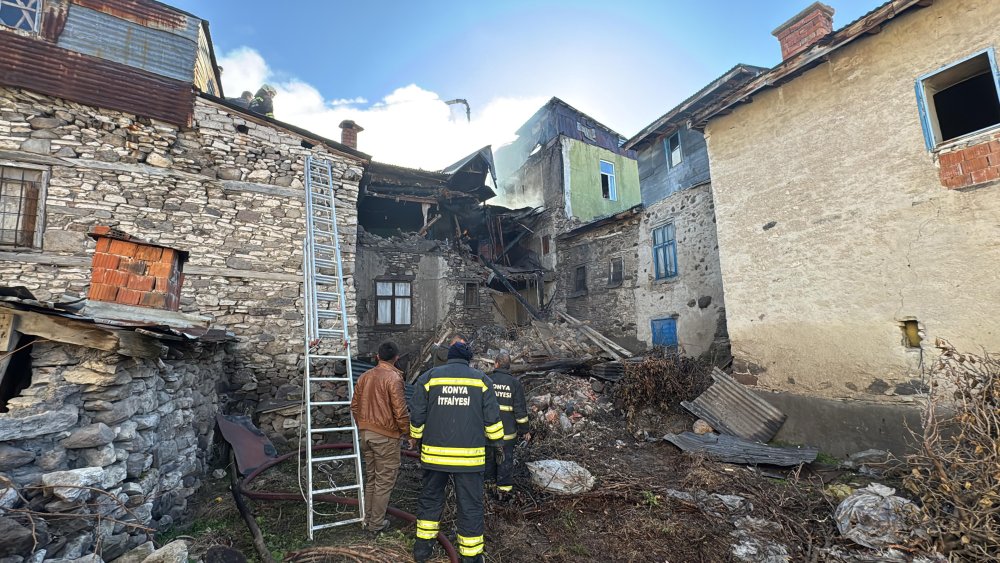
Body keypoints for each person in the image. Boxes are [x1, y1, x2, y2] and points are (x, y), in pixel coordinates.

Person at [409, 339, 503, 563]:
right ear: (469, 360)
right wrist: (498, 444)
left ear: (448, 356)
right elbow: (492, 421)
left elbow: (417, 415)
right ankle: (470, 557)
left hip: (434, 456)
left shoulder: (428, 378)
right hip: (469, 460)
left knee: (430, 501)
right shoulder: (482, 380)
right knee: (470, 506)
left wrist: (415, 436)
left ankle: (422, 551)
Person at [350, 341, 412, 534]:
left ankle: (368, 518)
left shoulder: (364, 376)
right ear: (396, 358)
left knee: (372, 478)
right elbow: (400, 412)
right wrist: (408, 434)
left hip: (366, 435)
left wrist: (364, 426)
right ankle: (376, 524)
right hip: (385, 437)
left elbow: (354, 406)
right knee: (384, 481)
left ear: (377, 356)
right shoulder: (394, 378)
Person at [484, 351, 530, 499]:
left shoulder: (487, 380)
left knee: (488, 461)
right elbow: (520, 410)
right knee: (505, 462)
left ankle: (488, 491)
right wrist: (525, 430)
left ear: (496, 363)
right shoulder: (514, 383)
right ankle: (503, 494)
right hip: (507, 434)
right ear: (508, 366)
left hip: (488, 433)